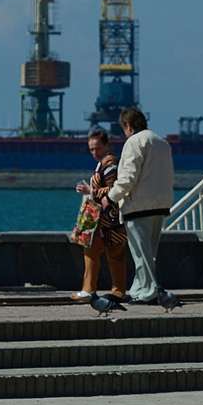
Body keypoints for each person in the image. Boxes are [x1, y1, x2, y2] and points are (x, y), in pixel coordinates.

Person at [113, 107, 177, 305]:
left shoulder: (134, 142)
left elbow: (128, 177)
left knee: (140, 253)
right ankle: (138, 288)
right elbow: (170, 174)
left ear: (128, 126)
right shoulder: (162, 142)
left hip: (138, 205)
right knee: (150, 253)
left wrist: (111, 196)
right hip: (160, 204)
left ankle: (148, 292)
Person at [72, 129, 129, 301]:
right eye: (91, 149)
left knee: (97, 252)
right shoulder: (104, 163)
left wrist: (91, 190)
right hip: (105, 219)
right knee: (111, 254)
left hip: (105, 219)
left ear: (107, 145)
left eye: (97, 148)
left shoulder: (109, 163)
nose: (94, 153)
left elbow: (114, 190)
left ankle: (91, 290)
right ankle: (116, 291)